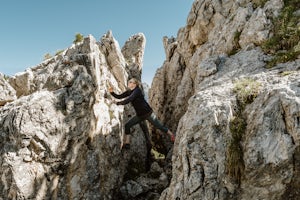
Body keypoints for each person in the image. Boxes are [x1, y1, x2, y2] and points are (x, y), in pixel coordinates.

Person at [109, 78, 175, 150]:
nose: (129, 82)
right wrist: (112, 92)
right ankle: (127, 143)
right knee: (127, 125)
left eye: (130, 82)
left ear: (135, 84)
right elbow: (119, 96)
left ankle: (172, 135)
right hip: (140, 116)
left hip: (148, 114)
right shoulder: (129, 91)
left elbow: (130, 99)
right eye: (129, 81)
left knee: (160, 126)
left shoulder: (137, 91)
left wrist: (118, 103)